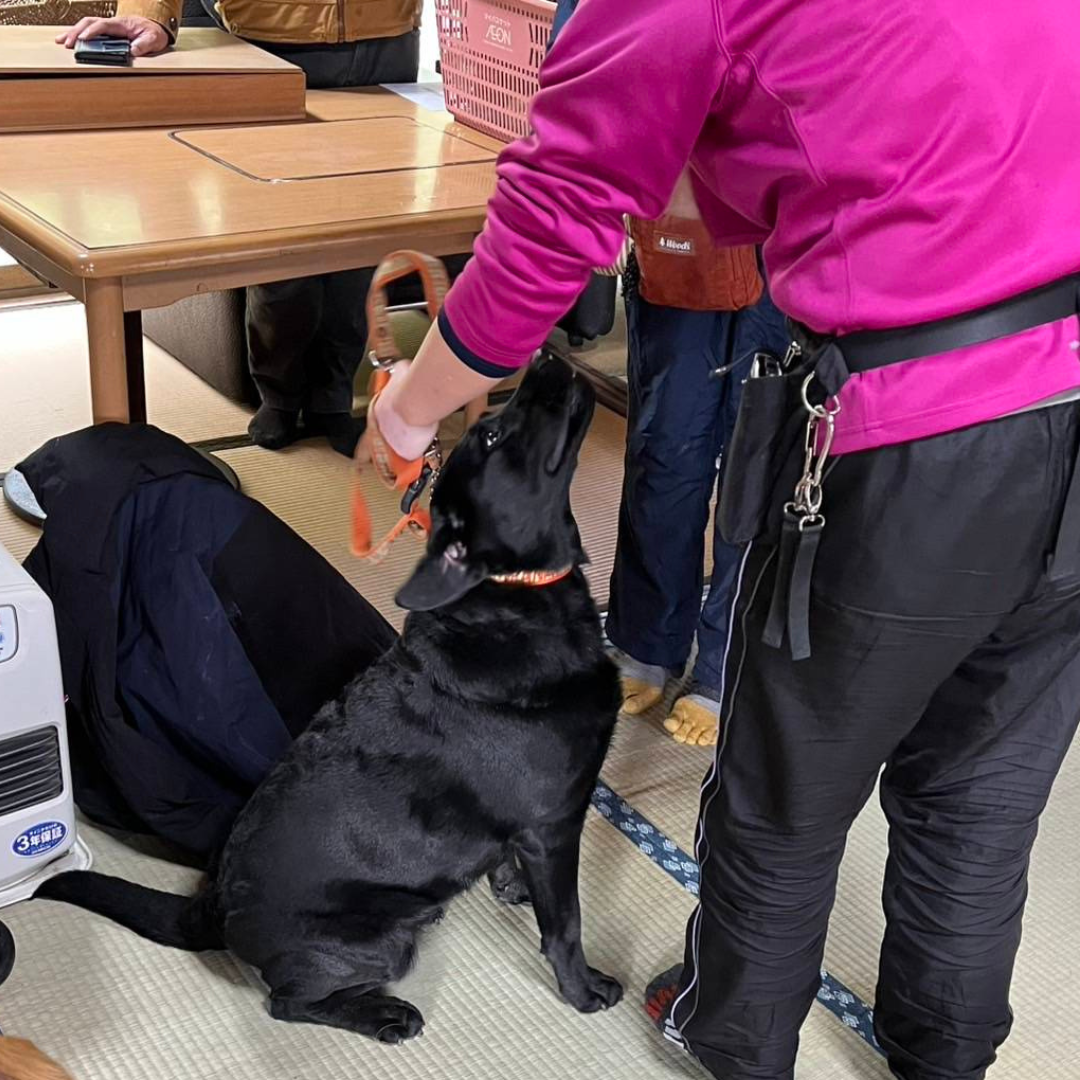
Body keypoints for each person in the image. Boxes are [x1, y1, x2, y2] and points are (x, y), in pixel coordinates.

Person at [357, 2, 1080, 1078]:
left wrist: (408, 413)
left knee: (782, 791)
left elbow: (551, 220)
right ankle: (947, 1053)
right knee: (984, 784)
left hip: (916, 438)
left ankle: (736, 1037)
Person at [57, 0, 424, 455]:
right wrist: (151, 11)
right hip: (270, 40)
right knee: (280, 249)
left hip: (387, 41)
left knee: (364, 240)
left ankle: (333, 396)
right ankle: (279, 395)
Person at [609, 246, 789, 747]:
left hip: (793, 236)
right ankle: (648, 638)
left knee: (762, 455)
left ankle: (726, 659)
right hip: (683, 232)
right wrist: (601, 209)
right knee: (664, 448)